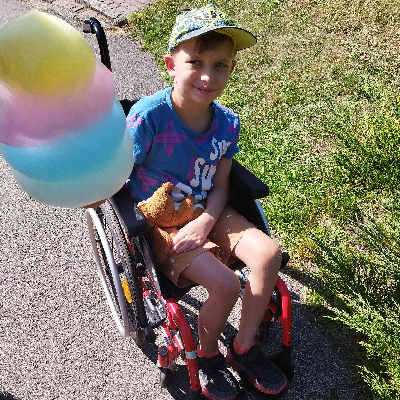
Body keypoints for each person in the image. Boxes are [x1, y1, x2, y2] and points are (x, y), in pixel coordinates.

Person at [126, 4, 287, 400]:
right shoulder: (149, 117)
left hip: (205, 208)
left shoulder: (227, 124)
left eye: (220, 65)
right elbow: (118, 173)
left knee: (269, 255)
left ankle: (242, 347)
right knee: (226, 283)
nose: (207, 76)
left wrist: (205, 221)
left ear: (232, 68)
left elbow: (220, 185)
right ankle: (208, 352)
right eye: (195, 62)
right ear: (171, 65)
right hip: (161, 218)